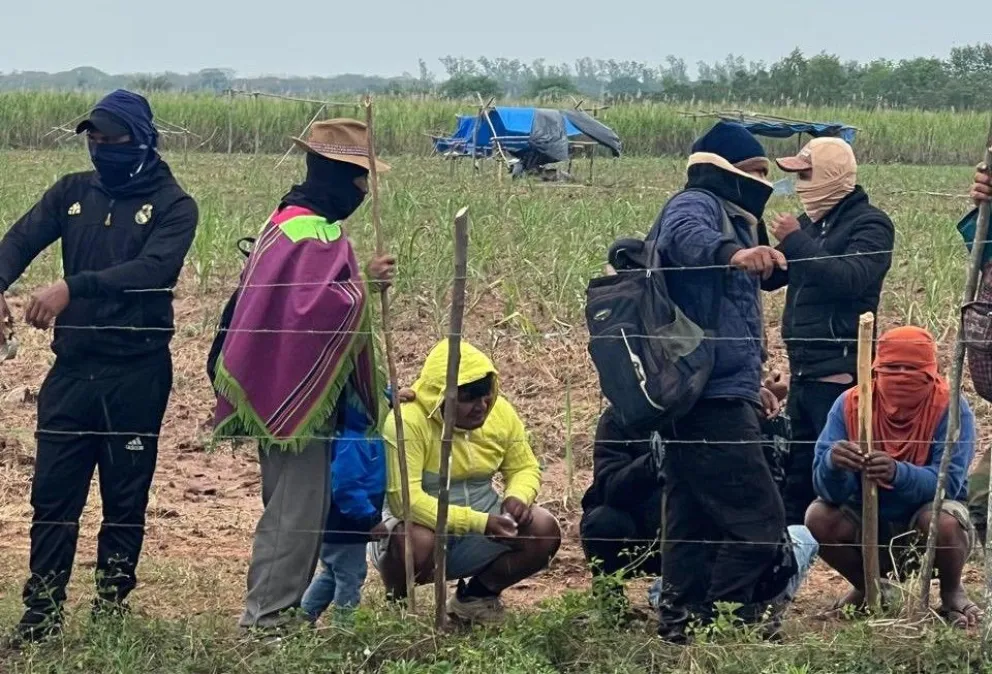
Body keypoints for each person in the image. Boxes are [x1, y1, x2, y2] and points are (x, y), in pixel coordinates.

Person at [0, 90, 198, 646]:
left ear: (141, 139)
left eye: (112, 138)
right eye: (94, 137)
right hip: (73, 369)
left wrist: (72, 286)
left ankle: (110, 609)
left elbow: (153, 269)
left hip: (136, 373)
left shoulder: (173, 205)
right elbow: (19, 239)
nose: (101, 147)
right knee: (53, 496)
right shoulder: (72, 192)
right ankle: (40, 614)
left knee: (124, 497)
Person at [211, 119, 395, 630]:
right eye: (360, 179)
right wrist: (362, 283)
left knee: (300, 510)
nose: (364, 190)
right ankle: (268, 619)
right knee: (294, 513)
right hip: (294, 401)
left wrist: (356, 282)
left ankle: (277, 611)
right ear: (336, 175)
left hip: (295, 392)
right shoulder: (306, 229)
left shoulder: (299, 220)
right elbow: (307, 311)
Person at [646, 121, 793, 643]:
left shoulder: (736, 214)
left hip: (710, 387)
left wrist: (773, 253)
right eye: (756, 171)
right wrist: (733, 254)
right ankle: (718, 622)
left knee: (689, 518)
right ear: (726, 168)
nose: (764, 181)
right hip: (709, 393)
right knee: (759, 522)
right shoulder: (695, 204)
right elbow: (688, 240)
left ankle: (679, 626)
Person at [372, 340, 561, 624]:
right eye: (469, 396)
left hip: (479, 528)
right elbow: (406, 502)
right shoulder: (407, 421)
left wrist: (517, 497)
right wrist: (481, 522)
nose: (481, 405)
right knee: (414, 540)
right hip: (422, 528)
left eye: (486, 394)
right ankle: (398, 605)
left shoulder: (501, 413)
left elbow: (524, 466)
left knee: (543, 528)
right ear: (441, 396)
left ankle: (475, 598)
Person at [806, 326, 980, 628]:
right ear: (875, 369)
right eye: (891, 368)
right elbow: (828, 490)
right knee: (817, 516)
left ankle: (952, 591)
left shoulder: (951, 408)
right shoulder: (850, 404)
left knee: (945, 521)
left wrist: (898, 473)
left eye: (912, 369)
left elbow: (948, 484)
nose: (901, 375)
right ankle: (870, 587)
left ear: (932, 370)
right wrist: (834, 465)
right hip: (866, 520)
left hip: (922, 520)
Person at [764, 137, 895, 526]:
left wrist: (796, 241)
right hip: (803, 368)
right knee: (799, 473)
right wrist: (759, 244)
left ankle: (864, 557)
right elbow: (774, 278)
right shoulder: (811, 224)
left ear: (832, 174)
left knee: (840, 476)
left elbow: (850, 278)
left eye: (806, 174)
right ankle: (787, 565)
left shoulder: (871, 224)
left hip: (841, 374)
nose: (801, 184)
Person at [300, 403, 387, 623]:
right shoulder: (353, 439)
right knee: (350, 576)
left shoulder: (359, 429)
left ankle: (302, 618)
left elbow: (371, 393)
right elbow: (346, 487)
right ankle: (344, 627)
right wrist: (370, 519)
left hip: (338, 521)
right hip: (347, 522)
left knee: (331, 572)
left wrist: (392, 396)